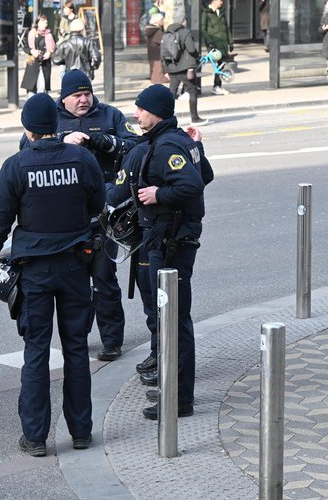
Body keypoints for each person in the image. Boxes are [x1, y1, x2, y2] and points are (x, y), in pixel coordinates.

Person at [0, 93, 105, 456]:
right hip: (77, 267)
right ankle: (81, 432)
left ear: (27, 129)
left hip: (35, 271)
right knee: (76, 348)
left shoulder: (16, 165)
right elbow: (98, 204)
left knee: (36, 352)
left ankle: (35, 437)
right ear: (56, 125)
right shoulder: (82, 158)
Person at [20, 70, 137, 361]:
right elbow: (26, 148)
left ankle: (112, 340)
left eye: (87, 94)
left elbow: (135, 147)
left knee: (104, 279)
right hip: (64, 216)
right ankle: (79, 337)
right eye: (77, 95)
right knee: (74, 284)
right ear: (64, 97)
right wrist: (62, 139)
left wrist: (102, 143)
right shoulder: (52, 117)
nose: (84, 100)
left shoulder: (110, 115)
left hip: (103, 213)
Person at [130, 84, 213, 419]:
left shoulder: (166, 145)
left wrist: (158, 195)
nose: (135, 114)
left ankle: (178, 400)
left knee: (174, 322)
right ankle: (175, 390)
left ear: (157, 112)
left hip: (171, 243)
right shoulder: (178, 139)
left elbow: (192, 184)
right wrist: (198, 146)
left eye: (140, 108)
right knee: (174, 320)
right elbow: (205, 173)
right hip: (174, 239)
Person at [164, 16, 207, 123]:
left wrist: (165, 70)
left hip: (172, 67)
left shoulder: (167, 33)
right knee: (192, 91)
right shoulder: (185, 32)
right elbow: (191, 49)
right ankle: (195, 118)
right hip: (185, 68)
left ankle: (166, 118)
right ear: (184, 22)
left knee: (171, 94)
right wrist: (197, 56)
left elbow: (163, 53)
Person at [201, 0, 233, 95]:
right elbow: (203, 29)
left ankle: (217, 86)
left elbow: (227, 28)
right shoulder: (206, 14)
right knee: (218, 65)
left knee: (221, 65)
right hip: (213, 44)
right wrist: (209, 42)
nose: (222, 2)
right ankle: (217, 86)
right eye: (220, 0)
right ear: (214, 1)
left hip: (223, 43)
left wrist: (230, 42)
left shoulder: (222, 13)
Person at [21, 15, 55, 98]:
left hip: (45, 64)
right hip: (33, 63)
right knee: (31, 90)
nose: (45, 24)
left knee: (42, 89)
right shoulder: (31, 34)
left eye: (46, 22)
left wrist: (49, 53)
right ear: (37, 23)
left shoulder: (50, 34)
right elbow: (25, 48)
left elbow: (54, 48)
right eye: (42, 21)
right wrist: (32, 51)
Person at [145, 14, 168, 84]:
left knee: (155, 74)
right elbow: (166, 43)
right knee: (158, 76)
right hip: (158, 56)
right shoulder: (158, 32)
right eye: (162, 20)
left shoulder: (150, 31)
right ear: (158, 21)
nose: (163, 21)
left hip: (152, 55)